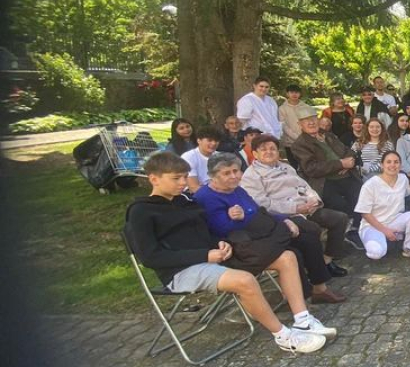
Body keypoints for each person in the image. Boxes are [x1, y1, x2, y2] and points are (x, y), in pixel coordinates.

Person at [125, 152, 335, 354]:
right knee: (244, 281)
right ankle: (283, 337)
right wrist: (205, 255)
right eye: (176, 178)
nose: (183, 182)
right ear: (154, 179)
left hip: (214, 257)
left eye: (184, 177)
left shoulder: (184, 202)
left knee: (287, 257)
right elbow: (151, 258)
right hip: (181, 270)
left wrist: (220, 244)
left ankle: (303, 321)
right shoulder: (141, 211)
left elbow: (206, 232)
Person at [194, 153, 346, 304]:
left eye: (236, 171)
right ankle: (300, 298)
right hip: (238, 246)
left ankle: (319, 289)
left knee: (308, 238)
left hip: (259, 234)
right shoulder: (206, 197)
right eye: (226, 173)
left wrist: (284, 219)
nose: (234, 176)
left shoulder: (236, 190)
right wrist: (237, 219)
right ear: (212, 176)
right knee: (293, 251)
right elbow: (221, 231)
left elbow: (259, 211)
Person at [241, 134, 352, 276]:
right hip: (283, 216)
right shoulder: (251, 176)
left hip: (306, 209)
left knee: (339, 218)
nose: (269, 152)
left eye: (272, 149)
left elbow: (304, 186)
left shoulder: (285, 167)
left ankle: (327, 260)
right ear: (255, 154)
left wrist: (314, 200)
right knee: (313, 229)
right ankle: (315, 271)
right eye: (263, 149)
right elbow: (263, 204)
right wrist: (295, 208)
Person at [289, 105, 364, 248]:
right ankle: (349, 233)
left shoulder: (328, 134)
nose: (310, 123)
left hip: (346, 175)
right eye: (305, 121)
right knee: (340, 204)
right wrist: (340, 164)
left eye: (312, 118)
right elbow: (311, 168)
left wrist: (350, 161)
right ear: (300, 125)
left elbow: (347, 150)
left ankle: (360, 229)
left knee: (362, 195)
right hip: (324, 182)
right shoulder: (299, 145)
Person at [354, 150, 410, 260]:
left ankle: (409, 248)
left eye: (396, 162)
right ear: (382, 165)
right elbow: (365, 213)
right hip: (373, 226)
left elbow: (407, 191)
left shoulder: (402, 179)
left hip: (394, 221)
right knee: (376, 253)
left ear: (400, 165)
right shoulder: (370, 184)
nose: (392, 165)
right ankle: (378, 240)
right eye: (388, 162)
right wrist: (385, 231)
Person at [182, 127, 222, 193]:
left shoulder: (221, 156)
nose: (214, 143)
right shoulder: (189, 157)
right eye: (209, 140)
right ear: (199, 140)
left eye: (216, 141)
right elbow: (193, 187)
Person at [278, 85, 307, 157]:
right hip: (289, 142)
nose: (294, 94)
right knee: (293, 164)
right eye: (291, 92)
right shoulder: (282, 109)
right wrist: (296, 137)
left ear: (300, 94)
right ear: (287, 94)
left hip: (305, 141)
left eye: (297, 92)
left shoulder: (306, 107)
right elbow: (283, 125)